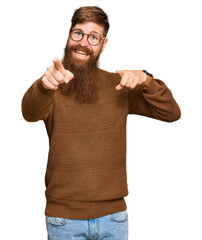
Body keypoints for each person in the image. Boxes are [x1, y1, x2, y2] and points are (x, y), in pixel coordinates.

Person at [21, 5, 181, 240]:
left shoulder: (119, 86)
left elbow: (171, 112)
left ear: (103, 44)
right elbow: (29, 113)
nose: (83, 42)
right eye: (78, 33)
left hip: (113, 218)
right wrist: (44, 86)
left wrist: (146, 80)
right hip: (63, 220)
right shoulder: (53, 82)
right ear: (68, 36)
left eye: (93, 37)